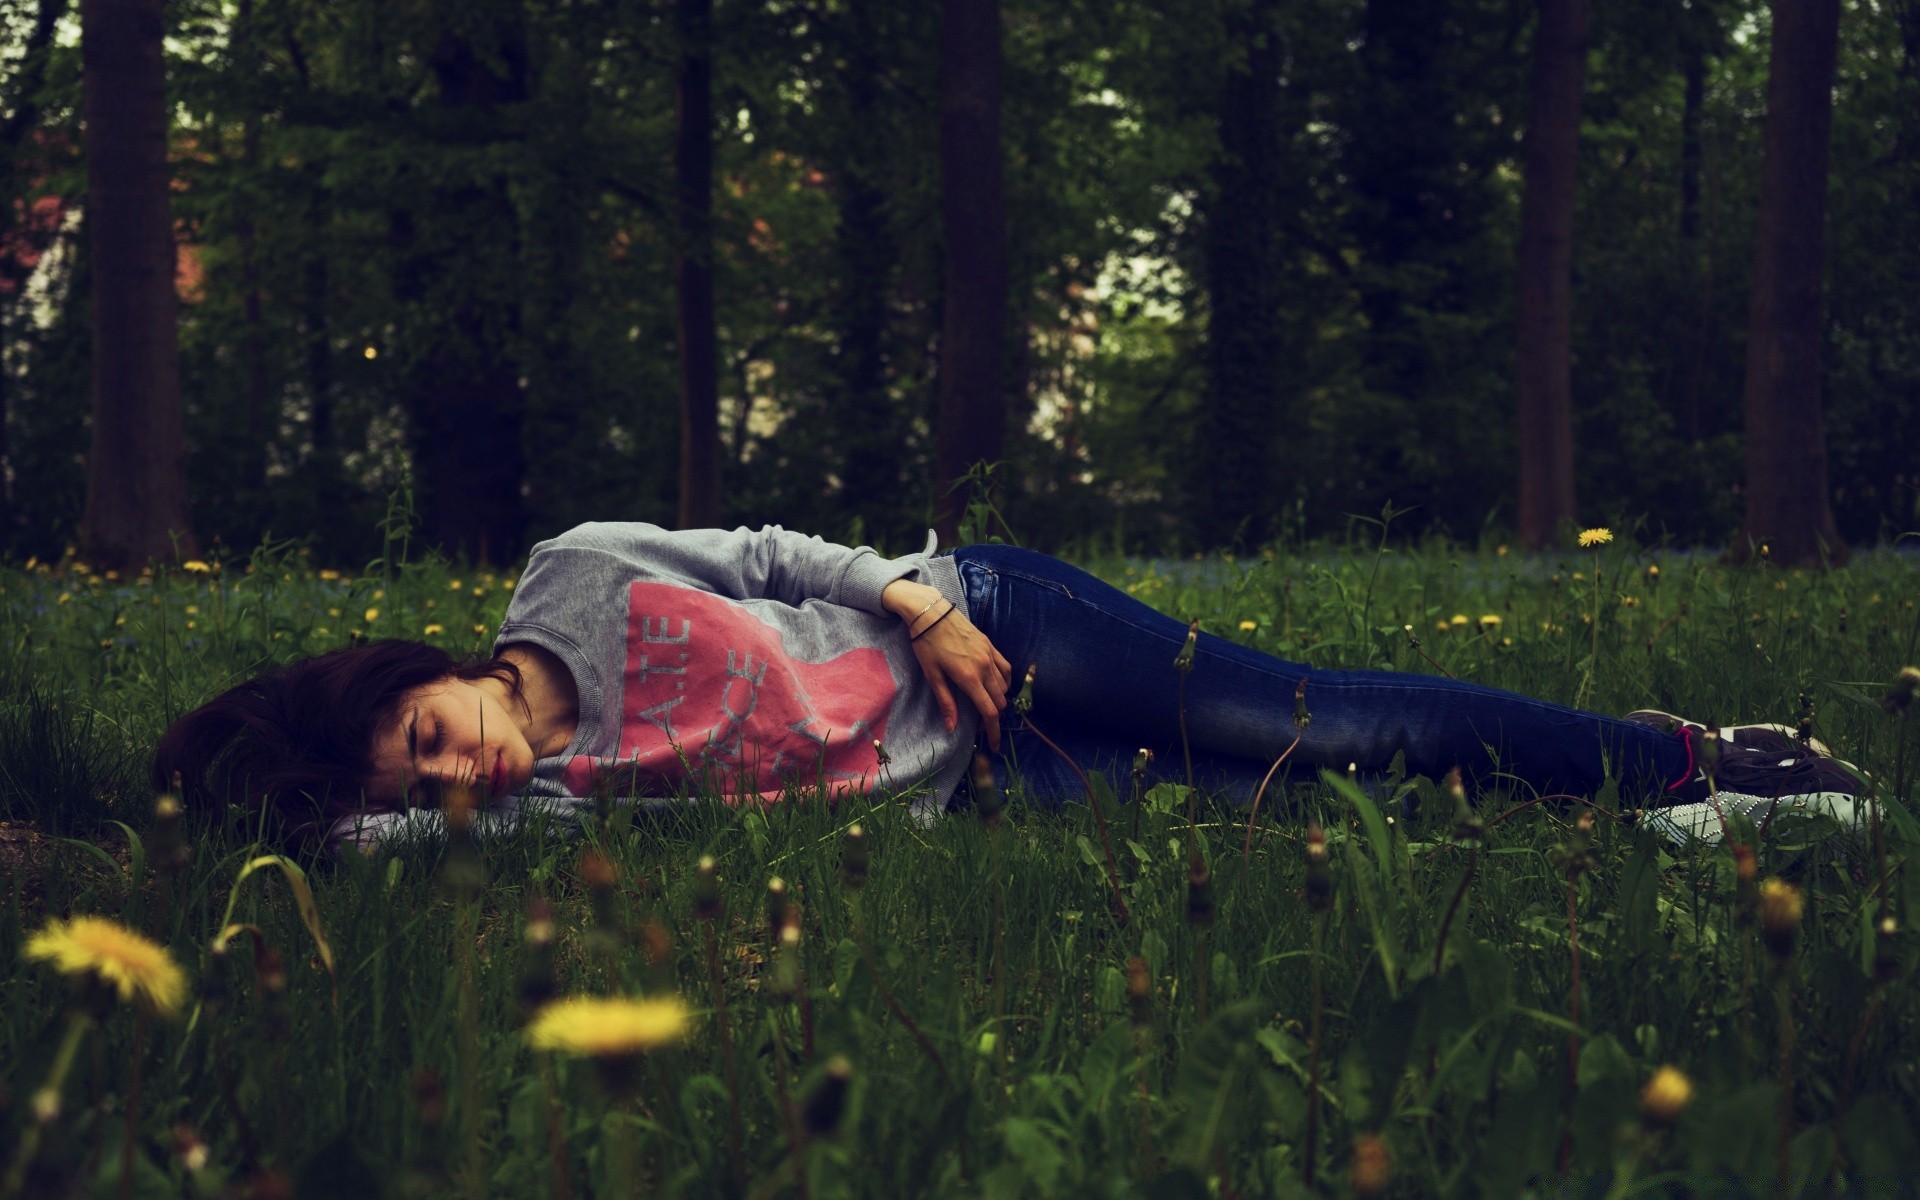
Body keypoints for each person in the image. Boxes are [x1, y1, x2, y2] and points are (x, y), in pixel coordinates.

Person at [153, 522, 1864, 852]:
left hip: (988, 630)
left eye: (438, 736)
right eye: (430, 786)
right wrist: (310, 798)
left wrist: (922, 601)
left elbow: (766, 554)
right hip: (986, 786)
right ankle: (1684, 835)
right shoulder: (533, 811)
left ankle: (1696, 759)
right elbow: (365, 840)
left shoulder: (575, 572)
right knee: (1302, 816)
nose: (472, 768)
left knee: (1334, 721)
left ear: (434, 671)